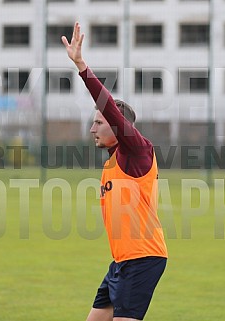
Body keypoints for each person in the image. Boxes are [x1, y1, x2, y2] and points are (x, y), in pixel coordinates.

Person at [61, 22, 168, 321]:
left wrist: (82, 67)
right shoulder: (113, 161)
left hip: (143, 259)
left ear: (119, 126)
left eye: (100, 121)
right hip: (121, 263)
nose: (92, 127)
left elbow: (109, 108)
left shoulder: (138, 151)